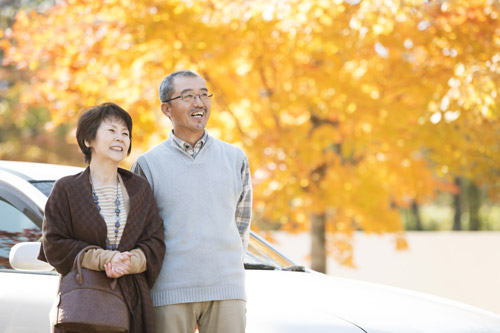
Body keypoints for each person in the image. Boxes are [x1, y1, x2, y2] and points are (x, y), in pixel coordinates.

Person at [131, 70, 252, 333]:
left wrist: (227, 268)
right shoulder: (147, 165)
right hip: (169, 291)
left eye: (203, 94)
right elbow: (140, 233)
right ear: (167, 109)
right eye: (187, 96)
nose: (199, 103)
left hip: (227, 289)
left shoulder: (235, 158)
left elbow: (241, 223)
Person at [38, 102, 166, 333]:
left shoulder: (140, 189)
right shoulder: (67, 189)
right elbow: (54, 244)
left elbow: (155, 242)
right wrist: (105, 259)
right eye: (112, 131)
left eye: (125, 133)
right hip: (82, 301)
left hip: (132, 300)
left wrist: (128, 262)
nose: (120, 138)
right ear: (88, 141)